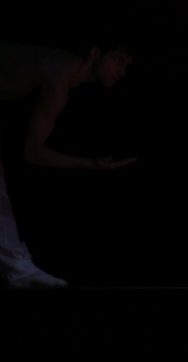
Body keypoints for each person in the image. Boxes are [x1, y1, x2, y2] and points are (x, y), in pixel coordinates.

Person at [0, 41, 136, 288]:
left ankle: (19, 270)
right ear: (95, 53)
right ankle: (19, 271)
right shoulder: (59, 74)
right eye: (118, 60)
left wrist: (89, 163)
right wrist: (90, 165)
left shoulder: (59, 75)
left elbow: (29, 150)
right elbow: (31, 152)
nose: (122, 71)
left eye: (126, 65)